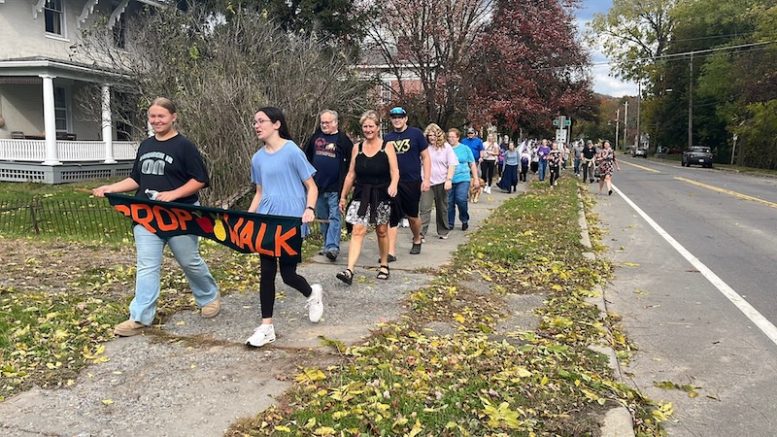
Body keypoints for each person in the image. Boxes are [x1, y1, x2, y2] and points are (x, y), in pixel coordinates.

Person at [92, 97, 220, 337]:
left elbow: (200, 179)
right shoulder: (146, 145)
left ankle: (209, 297)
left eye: (161, 116)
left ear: (173, 117)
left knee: (189, 261)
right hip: (147, 216)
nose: (156, 120)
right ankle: (140, 317)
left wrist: (174, 194)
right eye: (152, 116)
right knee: (147, 265)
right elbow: (136, 179)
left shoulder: (184, 146)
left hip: (180, 215)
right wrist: (111, 188)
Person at [244, 107, 323, 348]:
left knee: (288, 275)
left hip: (290, 219)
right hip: (267, 220)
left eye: (262, 121)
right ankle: (266, 327)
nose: (257, 125)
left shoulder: (292, 151)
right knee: (267, 272)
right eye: (255, 122)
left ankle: (312, 294)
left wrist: (309, 209)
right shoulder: (257, 159)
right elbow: (260, 192)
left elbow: (312, 187)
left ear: (276, 124)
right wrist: (248, 217)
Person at [336, 111, 400, 285]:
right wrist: (343, 196)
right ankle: (349, 270)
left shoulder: (387, 146)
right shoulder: (357, 148)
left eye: (371, 126)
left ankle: (384, 265)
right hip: (361, 194)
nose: (368, 129)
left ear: (378, 127)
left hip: (382, 193)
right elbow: (351, 174)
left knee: (381, 230)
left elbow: (395, 171)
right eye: (365, 126)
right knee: (358, 230)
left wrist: (393, 185)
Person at [304, 109, 353, 261]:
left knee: (334, 217)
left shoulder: (343, 140)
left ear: (335, 122)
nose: (324, 125)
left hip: (335, 188)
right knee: (323, 217)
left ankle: (333, 247)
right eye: (322, 122)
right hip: (317, 187)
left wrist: (347, 184)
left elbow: (351, 162)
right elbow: (306, 157)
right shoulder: (315, 138)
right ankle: (327, 245)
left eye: (327, 122)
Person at [384, 107, 430, 259]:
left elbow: (426, 157)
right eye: (394, 117)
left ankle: (417, 238)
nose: (397, 120)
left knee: (412, 216)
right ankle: (391, 252)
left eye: (400, 117)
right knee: (392, 216)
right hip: (393, 182)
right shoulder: (388, 137)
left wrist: (427, 179)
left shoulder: (415, 134)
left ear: (405, 119)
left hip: (411, 181)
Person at [419, 123, 458, 240]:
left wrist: (449, 179)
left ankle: (443, 230)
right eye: (430, 135)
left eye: (434, 135)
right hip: (427, 182)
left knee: (442, 208)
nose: (432, 138)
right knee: (425, 208)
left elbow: (452, 164)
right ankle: (420, 234)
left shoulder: (446, 147)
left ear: (439, 135)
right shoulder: (424, 148)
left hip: (441, 182)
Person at [447, 128, 479, 231]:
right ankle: (450, 223)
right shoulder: (445, 148)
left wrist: (476, 178)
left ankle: (464, 219)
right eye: (449, 137)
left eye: (453, 137)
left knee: (461, 199)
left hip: (463, 178)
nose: (451, 139)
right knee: (449, 202)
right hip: (448, 179)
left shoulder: (465, 149)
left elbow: (472, 164)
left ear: (458, 137)